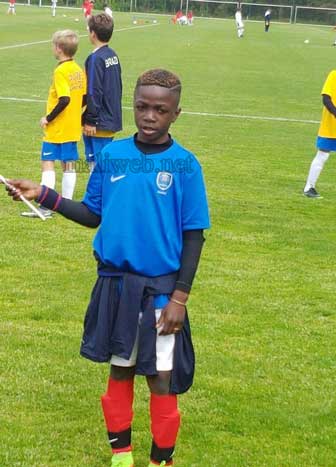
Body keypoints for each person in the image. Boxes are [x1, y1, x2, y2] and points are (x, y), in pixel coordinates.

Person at [6, 68, 210, 467]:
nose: (150, 116)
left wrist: (180, 299)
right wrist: (43, 194)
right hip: (117, 286)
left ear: (176, 114)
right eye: (141, 107)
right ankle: (121, 457)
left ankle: (160, 461)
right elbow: (91, 213)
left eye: (160, 109)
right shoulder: (113, 154)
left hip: (162, 291)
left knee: (161, 379)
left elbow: (194, 236)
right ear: (131, 105)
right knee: (120, 371)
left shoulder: (186, 165)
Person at [21, 30, 86, 218]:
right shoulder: (78, 70)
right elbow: (85, 97)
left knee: (47, 163)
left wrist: (48, 118)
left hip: (57, 128)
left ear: (58, 48)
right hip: (73, 127)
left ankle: (45, 206)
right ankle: (66, 205)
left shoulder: (60, 71)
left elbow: (64, 99)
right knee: (69, 165)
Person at [304, 49, 336, 198]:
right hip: (331, 125)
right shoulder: (334, 75)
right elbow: (326, 99)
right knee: (323, 154)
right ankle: (309, 187)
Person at [83, 13, 122, 172]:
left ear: (92, 33)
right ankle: (98, 194)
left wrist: (91, 119)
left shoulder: (95, 58)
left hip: (99, 121)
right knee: (101, 163)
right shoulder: (112, 55)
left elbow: (94, 90)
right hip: (111, 117)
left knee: (98, 165)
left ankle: (101, 195)